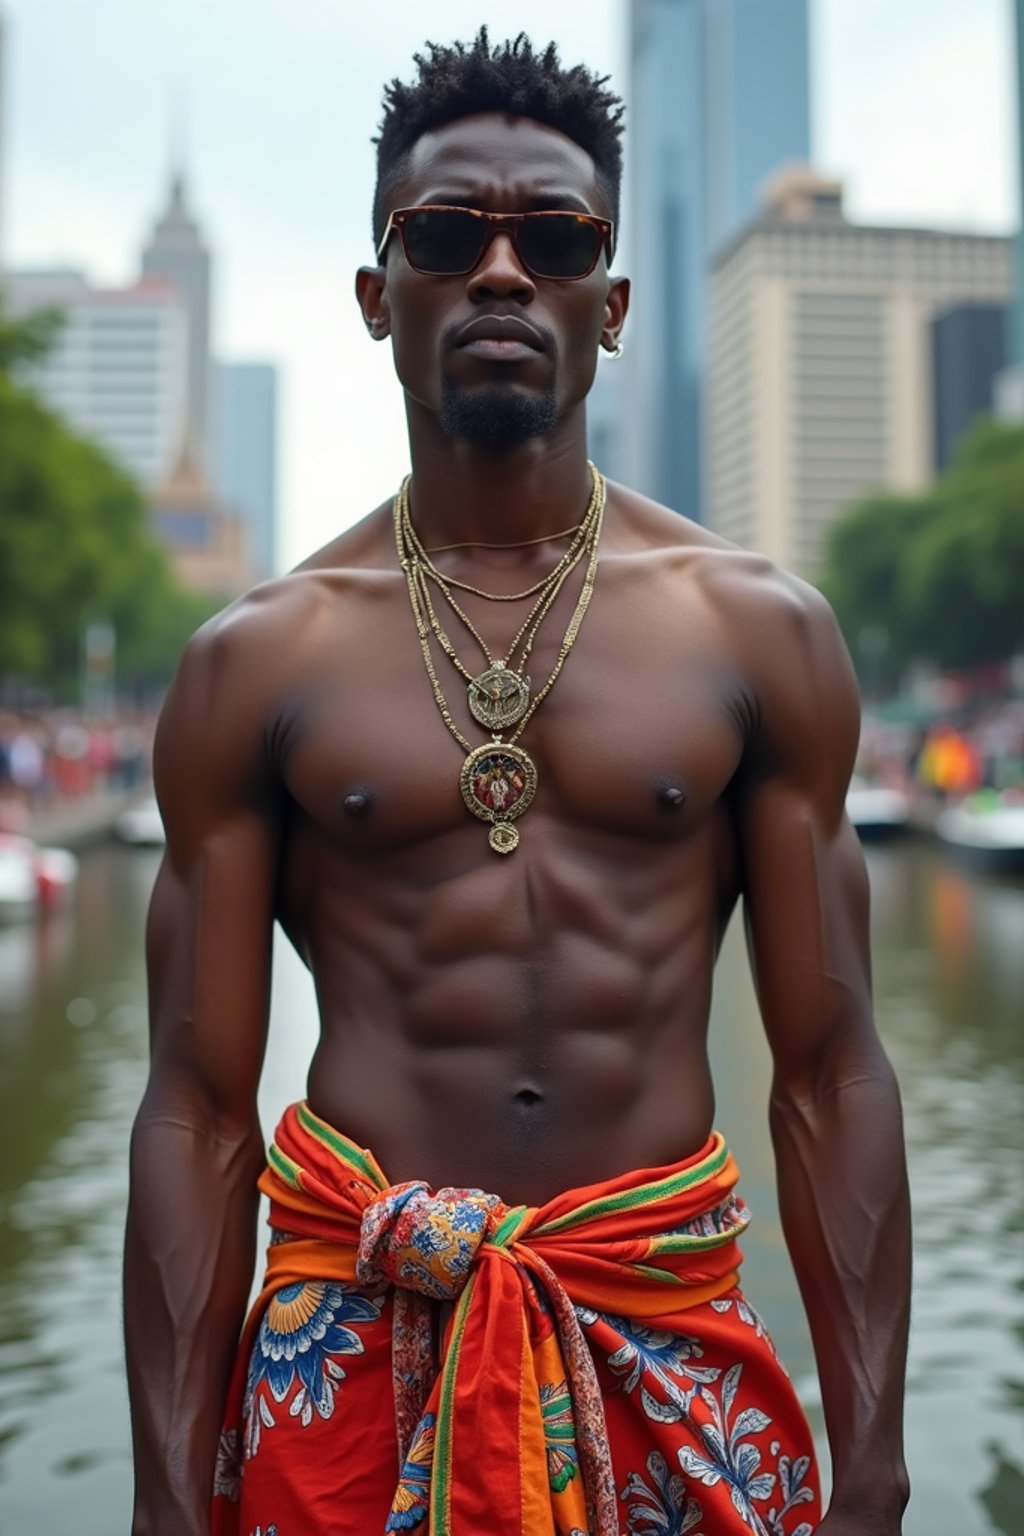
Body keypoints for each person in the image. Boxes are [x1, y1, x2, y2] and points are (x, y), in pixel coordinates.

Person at [124, 30, 911, 1536]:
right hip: (355, 1341)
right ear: (379, 294)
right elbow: (197, 1106)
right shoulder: (258, 663)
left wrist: (872, 1461)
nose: (501, 273)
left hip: (660, 1320)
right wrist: (169, 1492)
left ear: (609, 306)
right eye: (444, 235)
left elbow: (831, 1070)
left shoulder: (759, 633)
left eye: (554, 240)